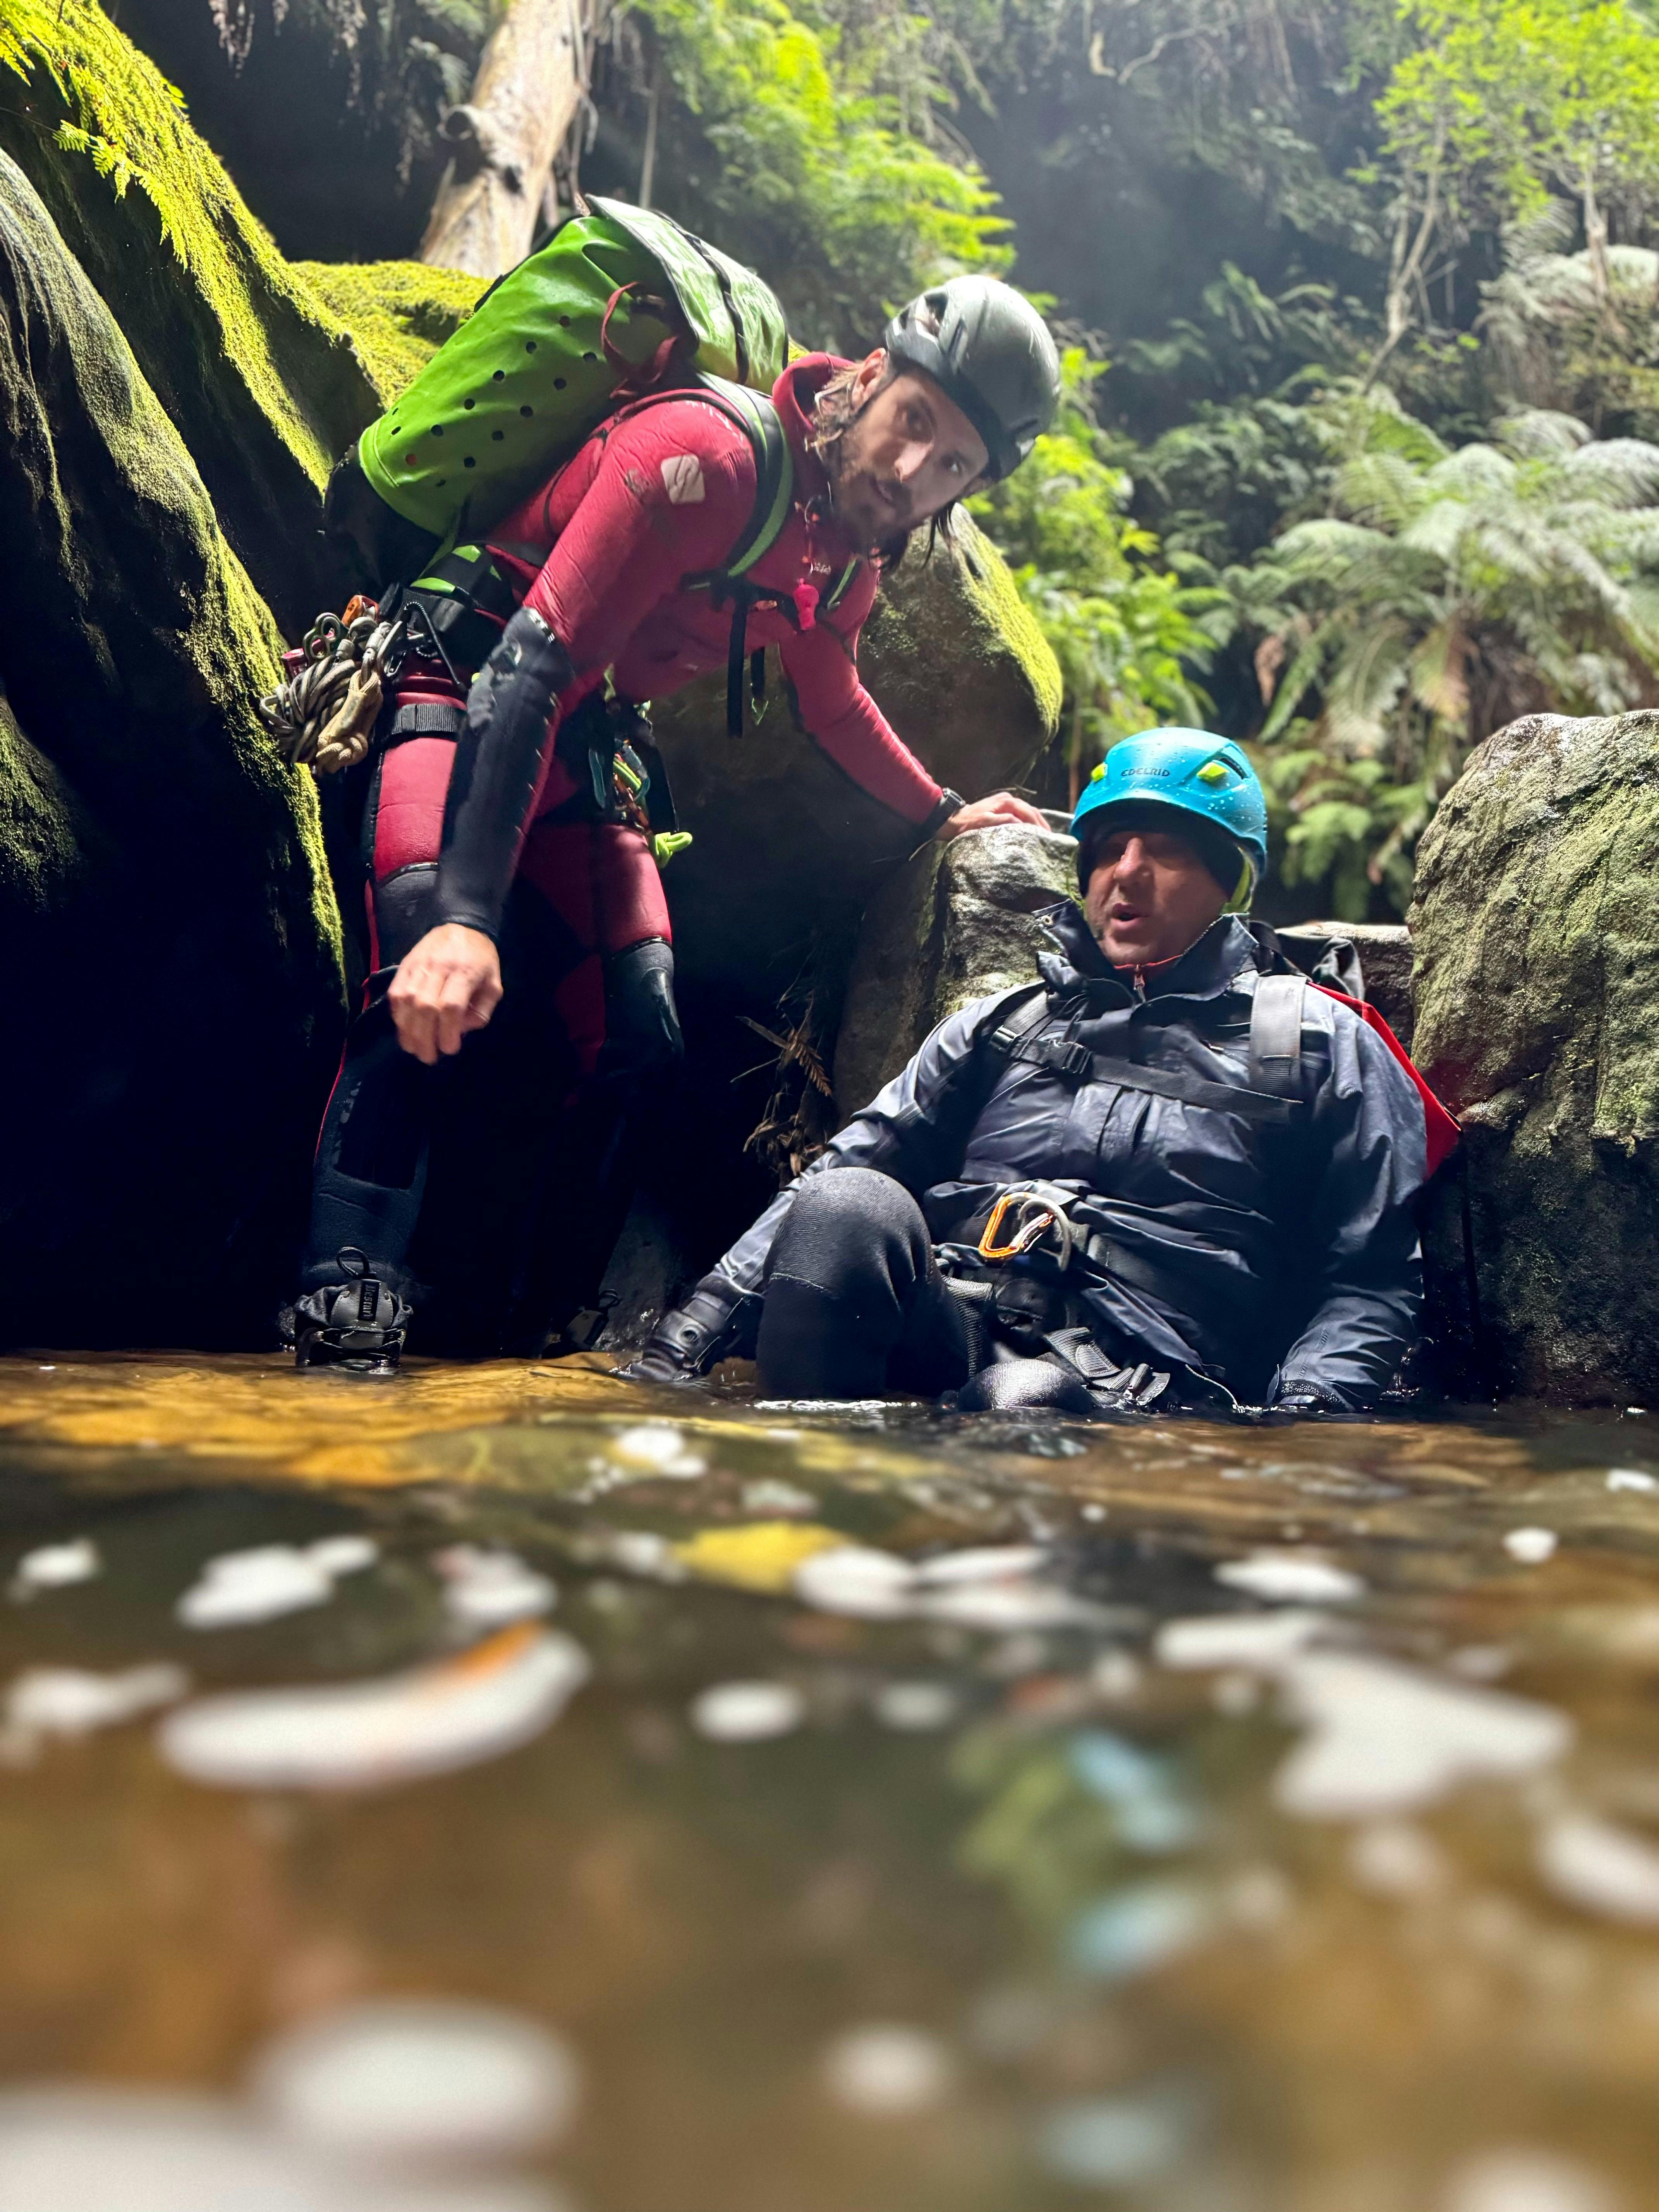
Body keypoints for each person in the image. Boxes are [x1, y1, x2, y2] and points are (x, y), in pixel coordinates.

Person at [290, 276, 1062, 1371]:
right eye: (915, 423)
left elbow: (829, 689)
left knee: (636, 1025)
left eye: (952, 467)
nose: (907, 473)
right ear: (874, 374)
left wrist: (943, 812)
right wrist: (467, 918)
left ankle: (529, 1333)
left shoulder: (843, 552)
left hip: (578, 733)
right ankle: (346, 1305)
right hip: (468, 666)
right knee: (425, 951)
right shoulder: (708, 458)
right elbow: (530, 665)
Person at [627, 728, 1453, 1417]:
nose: (1127, 871)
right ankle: (801, 1527)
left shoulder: (1319, 1040)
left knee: (1022, 1396)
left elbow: (1368, 1281)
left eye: (1165, 849)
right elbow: (853, 1163)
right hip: (954, 1322)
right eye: (1108, 850)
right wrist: (669, 1359)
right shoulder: (1007, 1022)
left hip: (1145, 1388)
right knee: (843, 1206)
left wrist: (1303, 1430)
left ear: (1228, 877)